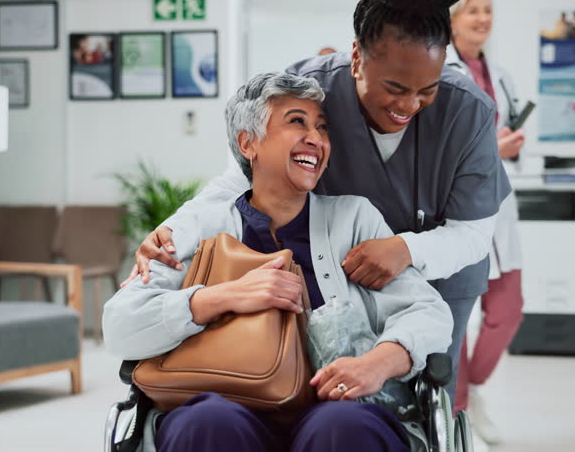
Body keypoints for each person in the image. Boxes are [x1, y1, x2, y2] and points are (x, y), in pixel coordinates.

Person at [123, 0, 512, 405]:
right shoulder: (312, 90)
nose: (409, 106)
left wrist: (404, 250)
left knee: (423, 389)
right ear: (358, 60)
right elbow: (247, 176)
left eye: (427, 91)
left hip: (440, 275)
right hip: (340, 277)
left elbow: (474, 232)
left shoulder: (468, 111)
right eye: (394, 88)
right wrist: (171, 234)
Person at [104, 72, 453, 451]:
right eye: (296, 122)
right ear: (247, 143)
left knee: (343, 425)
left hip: (335, 405)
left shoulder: (354, 219)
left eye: (321, 127)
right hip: (225, 404)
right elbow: (120, 323)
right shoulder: (196, 227)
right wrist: (221, 297)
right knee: (206, 423)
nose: (316, 139)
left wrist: (379, 363)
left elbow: (427, 311)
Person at [446, 0, 525, 445]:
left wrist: (510, 149)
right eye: (472, 10)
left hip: (499, 208)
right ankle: (458, 411)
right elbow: (445, 148)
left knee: (507, 311)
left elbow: (505, 134)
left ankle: (472, 392)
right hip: (458, 208)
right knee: (456, 316)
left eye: (487, 10)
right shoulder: (442, 71)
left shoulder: (502, 75)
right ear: (452, 19)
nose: (482, 18)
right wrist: (493, 149)